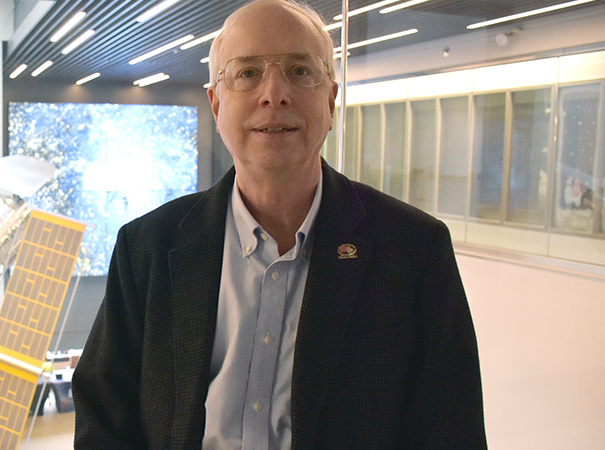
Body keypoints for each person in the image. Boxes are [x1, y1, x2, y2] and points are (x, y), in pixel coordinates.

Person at [72, 0, 487, 448]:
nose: (274, 93)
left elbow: (450, 429)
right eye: (247, 73)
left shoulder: (414, 250)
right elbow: (104, 418)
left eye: (299, 71)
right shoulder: (147, 247)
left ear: (330, 99)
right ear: (216, 102)